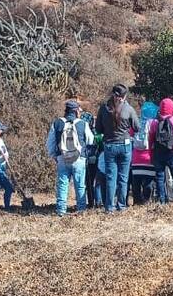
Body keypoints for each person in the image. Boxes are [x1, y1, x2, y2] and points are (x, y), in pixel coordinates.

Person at [95, 84, 139, 212]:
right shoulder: (128, 109)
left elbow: (98, 129)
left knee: (110, 177)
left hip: (109, 145)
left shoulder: (104, 109)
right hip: (125, 145)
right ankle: (121, 205)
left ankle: (109, 207)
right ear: (124, 96)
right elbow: (136, 127)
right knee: (123, 177)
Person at [46, 100, 94, 216]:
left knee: (62, 184)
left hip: (62, 157)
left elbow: (50, 143)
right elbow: (90, 140)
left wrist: (54, 156)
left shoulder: (57, 123)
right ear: (76, 111)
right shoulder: (83, 123)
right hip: (79, 158)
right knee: (80, 185)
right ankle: (81, 209)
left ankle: (61, 210)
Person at [129, 101, 159, 205]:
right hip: (149, 157)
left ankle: (137, 202)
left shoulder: (137, 122)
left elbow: (130, 135)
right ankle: (146, 201)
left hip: (136, 158)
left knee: (136, 182)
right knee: (148, 182)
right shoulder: (154, 123)